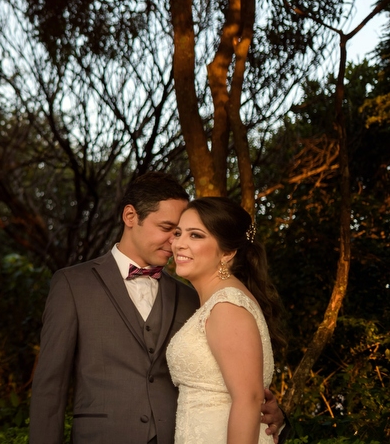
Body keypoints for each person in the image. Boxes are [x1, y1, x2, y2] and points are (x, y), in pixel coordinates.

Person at [29, 173, 285, 444]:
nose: (174, 242)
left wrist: (274, 414)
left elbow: (238, 380)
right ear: (130, 217)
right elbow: (50, 389)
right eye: (168, 229)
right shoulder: (73, 284)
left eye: (183, 232)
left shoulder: (194, 297)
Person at [167, 197, 287, 444]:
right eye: (178, 233)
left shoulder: (227, 305)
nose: (179, 243)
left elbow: (249, 399)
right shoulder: (218, 301)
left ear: (228, 252)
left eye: (196, 235)